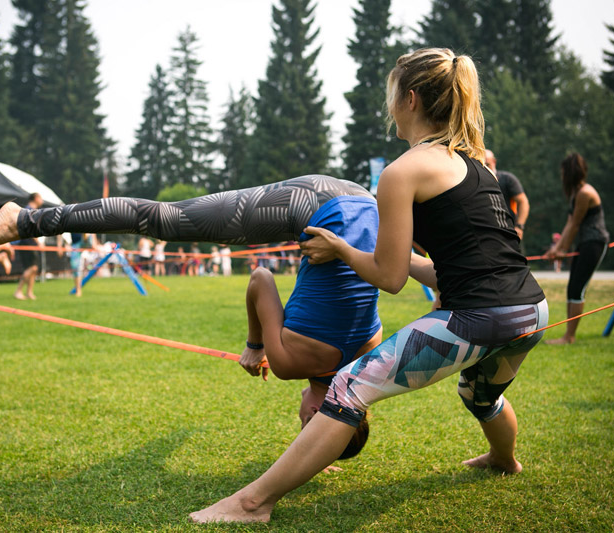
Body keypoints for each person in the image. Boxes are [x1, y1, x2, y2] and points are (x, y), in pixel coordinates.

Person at [187, 48, 548, 523]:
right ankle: (504, 458)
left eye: (391, 94)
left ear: (411, 98)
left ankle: (252, 503)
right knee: (479, 395)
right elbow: (450, 268)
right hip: (531, 310)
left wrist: (340, 249)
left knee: (348, 388)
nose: (389, 105)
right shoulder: (472, 163)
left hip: (479, 318)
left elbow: (388, 277)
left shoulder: (402, 172)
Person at [0, 174, 384, 454]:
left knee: (164, 220)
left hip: (363, 203)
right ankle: (23, 219)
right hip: (311, 207)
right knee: (161, 219)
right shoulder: (293, 365)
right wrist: (256, 347)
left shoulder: (372, 352)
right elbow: (260, 278)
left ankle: (26, 219)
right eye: (306, 428)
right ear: (315, 416)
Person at [544, 153, 609, 345]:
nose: (562, 176)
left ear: (570, 173)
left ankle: (569, 337)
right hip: (585, 244)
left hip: (595, 243)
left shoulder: (585, 193)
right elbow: (569, 223)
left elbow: (575, 225)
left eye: (564, 172)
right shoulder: (576, 193)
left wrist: (562, 251)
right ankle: (568, 336)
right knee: (572, 288)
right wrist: (556, 249)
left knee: (577, 290)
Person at [485, 150, 530, 240]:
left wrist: (519, 227)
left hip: (508, 231)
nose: (485, 168)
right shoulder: (476, 181)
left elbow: (523, 202)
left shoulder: (507, 179)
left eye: (487, 164)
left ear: (494, 161)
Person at [13, 192, 44, 300]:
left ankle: (29, 292)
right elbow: (30, 229)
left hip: (30, 242)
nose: (42, 200)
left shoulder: (31, 210)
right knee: (32, 268)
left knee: (34, 269)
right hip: (27, 242)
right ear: (35, 198)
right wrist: (39, 242)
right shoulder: (29, 210)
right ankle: (18, 291)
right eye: (41, 197)